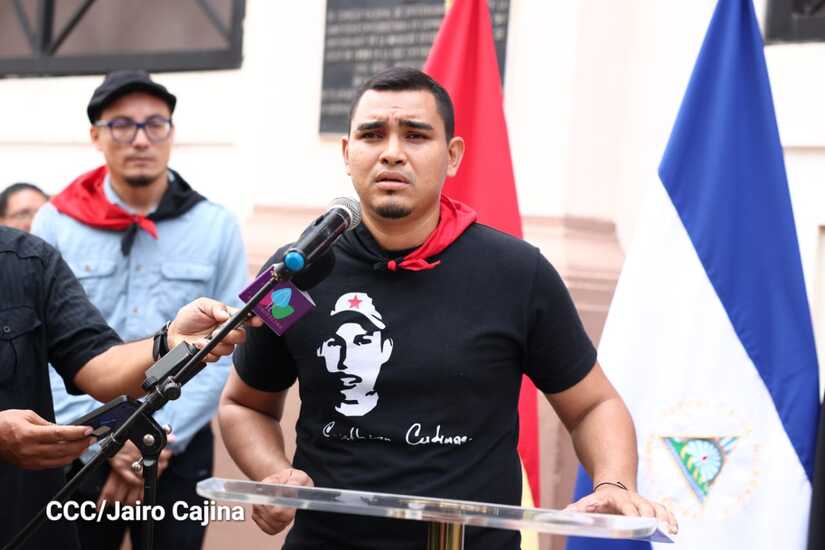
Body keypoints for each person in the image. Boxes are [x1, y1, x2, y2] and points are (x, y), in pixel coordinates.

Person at [219, 67, 678, 549]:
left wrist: (613, 483)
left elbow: (593, 405)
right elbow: (245, 404)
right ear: (347, 154)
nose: (392, 152)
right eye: (372, 135)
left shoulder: (516, 274)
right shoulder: (294, 276)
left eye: (415, 135)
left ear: (452, 155)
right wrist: (272, 474)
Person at [30, 70, 248, 550]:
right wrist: (105, 438)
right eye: (122, 125)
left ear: (172, 133)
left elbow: (227, 349)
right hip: (82, 444)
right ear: (96, 136)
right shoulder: (56, 222)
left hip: (178, 447)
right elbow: (40, 346)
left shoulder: (216, 227)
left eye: (155, 124)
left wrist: (156, 437)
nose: (141, 139)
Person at [0, 224, 256, 550]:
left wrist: (171, 342)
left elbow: (98, 366)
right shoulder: (55, 224)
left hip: (28, 524)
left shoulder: (27, 258)